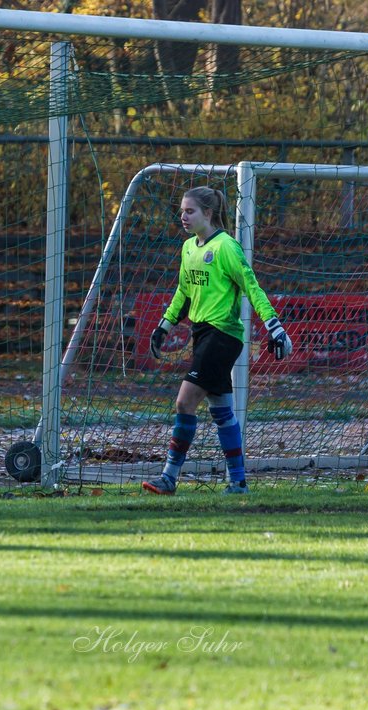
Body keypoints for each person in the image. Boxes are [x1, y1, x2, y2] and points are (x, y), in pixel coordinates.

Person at [143, 186, 293, 496]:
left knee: (185, 401)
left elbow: (251, 287)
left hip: (223, 335)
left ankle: (169, 478)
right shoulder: (188, 248)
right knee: (222, 411)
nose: (183, 216)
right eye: (182, 211)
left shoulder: (226, 247)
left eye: (190, 211)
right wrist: (164, 326)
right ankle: (238, 483)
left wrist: (273, 325)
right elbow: (183, 292)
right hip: (202, 335)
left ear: (208, 214)